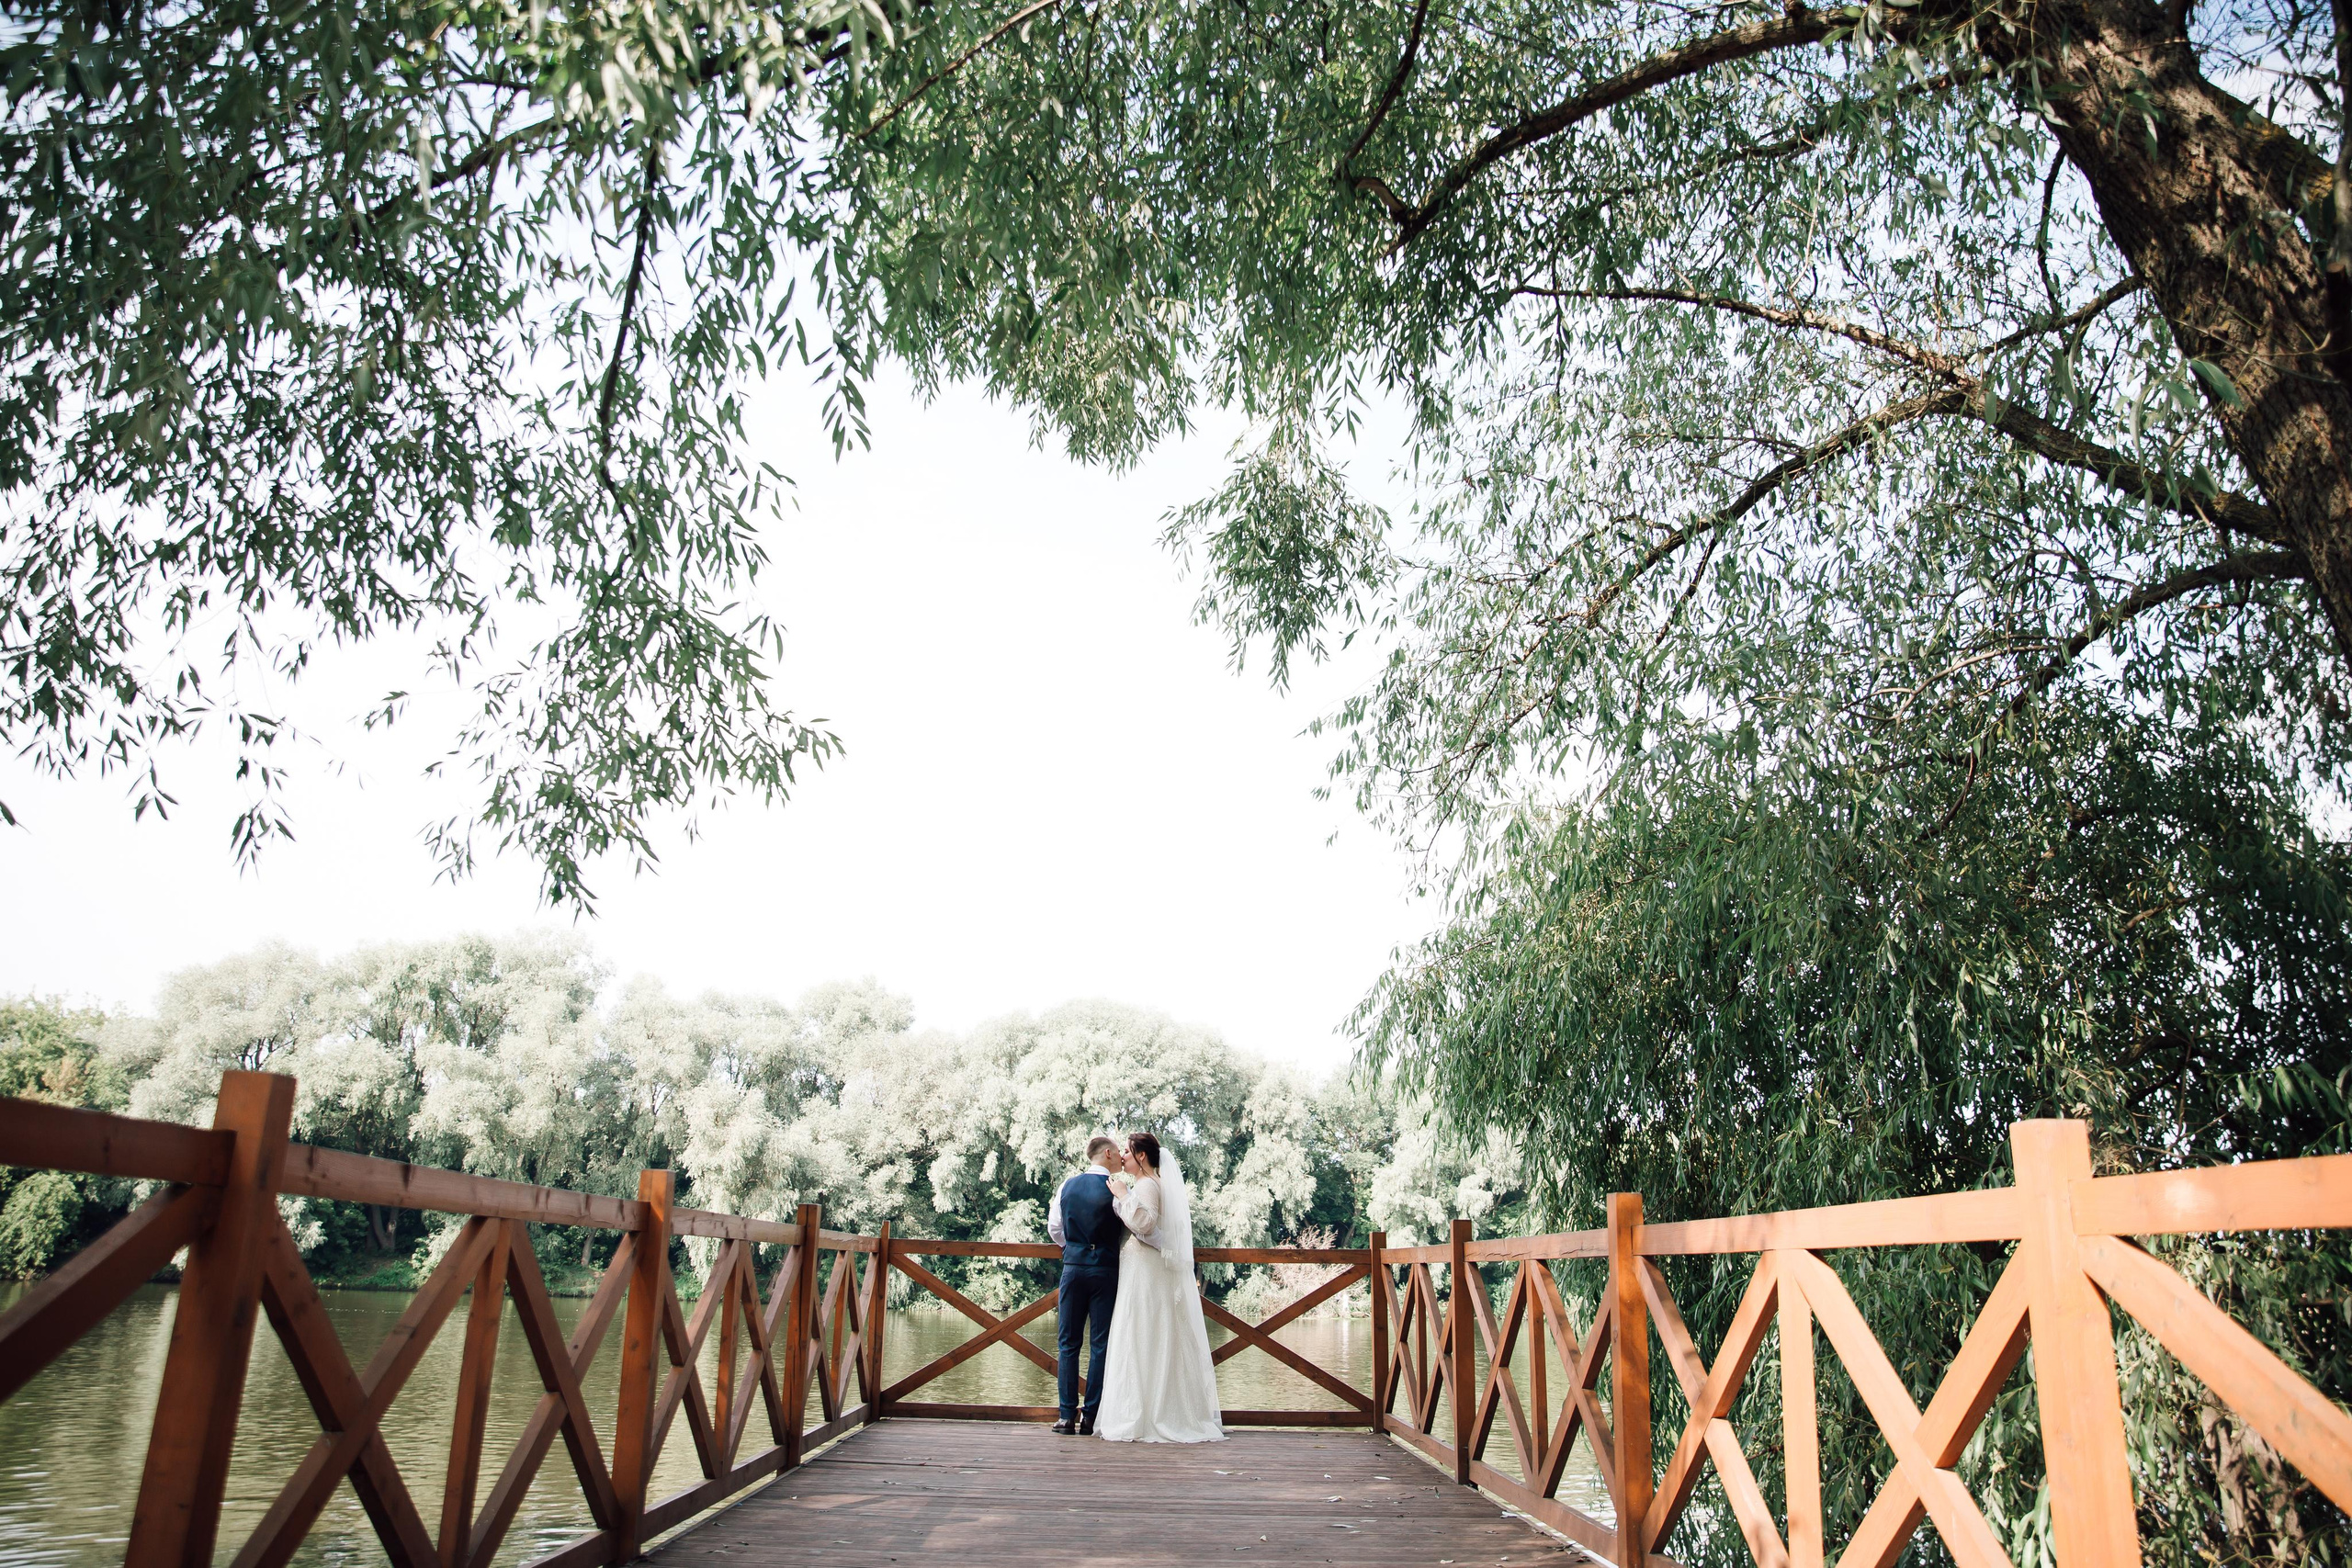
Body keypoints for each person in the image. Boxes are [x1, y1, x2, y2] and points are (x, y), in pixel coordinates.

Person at [1095, 1131, 1226, 1443]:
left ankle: (1149, 1415)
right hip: (1142, 1268)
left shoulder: (1146, 1185)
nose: (1122, 1156)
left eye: (1126, 1151)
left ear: (1141, 1157)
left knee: (1142, 1331)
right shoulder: (1151, 1184)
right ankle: (1152, 1408)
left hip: (1146, 1271)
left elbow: (1146, 1224)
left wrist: (1123, 1195)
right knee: (1143, 1331)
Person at [1045, 1134, 1127, 1435]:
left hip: (1073, 1268)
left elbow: (1055, 1227)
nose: (1121, 1157)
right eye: (1118, 1152)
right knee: (1100, 1345)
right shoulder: (1117, 1189)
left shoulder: (1067, 1185)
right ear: (1106, 1153)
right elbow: (1128, 1225)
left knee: (1068, 1343)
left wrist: (1073, 1248)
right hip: (1105, 1270)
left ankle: (1066, 1416)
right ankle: (1089, 1417)